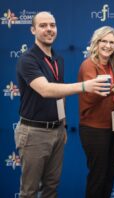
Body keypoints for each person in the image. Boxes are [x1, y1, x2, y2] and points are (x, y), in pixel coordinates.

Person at [15, 11, 106, 198]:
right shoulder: (28, 59)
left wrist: (62, 124)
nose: (49, 29)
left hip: (56, 131)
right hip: (34, 133)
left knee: (51, 187)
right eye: (43, 25)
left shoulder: (58, 59)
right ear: (33, 30)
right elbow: (46, 90)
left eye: (52, 25)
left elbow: (59, 94)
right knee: (29, 191)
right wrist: (84, 86)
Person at [78, 26, 114, 198]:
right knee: (97, 177)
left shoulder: (110, 66)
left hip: (113, 128)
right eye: (104, 41)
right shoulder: (88, 65)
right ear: (96, 43)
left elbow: (111, 98)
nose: (108, 45)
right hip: (94, 130)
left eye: (112, 43)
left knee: (109, 176)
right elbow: (92, 96)